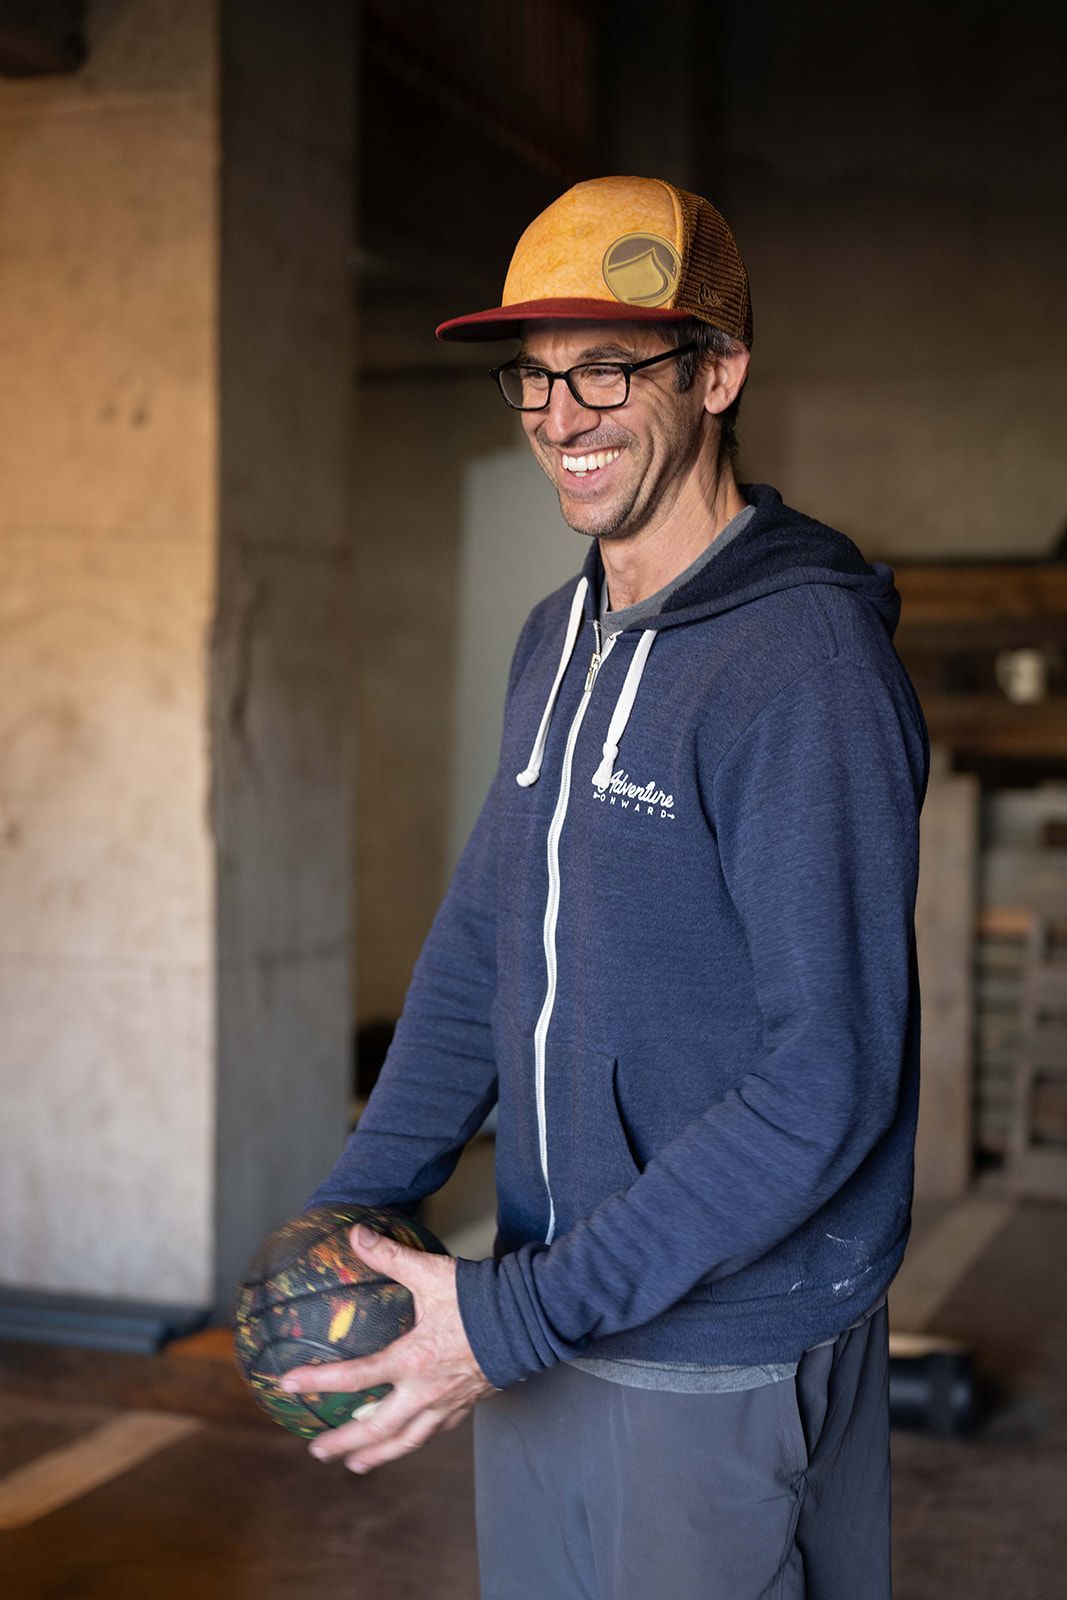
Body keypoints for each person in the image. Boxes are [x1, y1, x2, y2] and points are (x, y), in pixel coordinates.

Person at [278, 175, 930, 1598]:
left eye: (608, 367)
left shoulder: (802, 670)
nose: (560, 415)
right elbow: (483, 944)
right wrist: (359, 1206)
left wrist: (510, 1322)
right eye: (535, 374)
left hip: (713, 1351)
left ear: (718, 372)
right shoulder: (557, 636)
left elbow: (828, 1077)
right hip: (554, 1312)